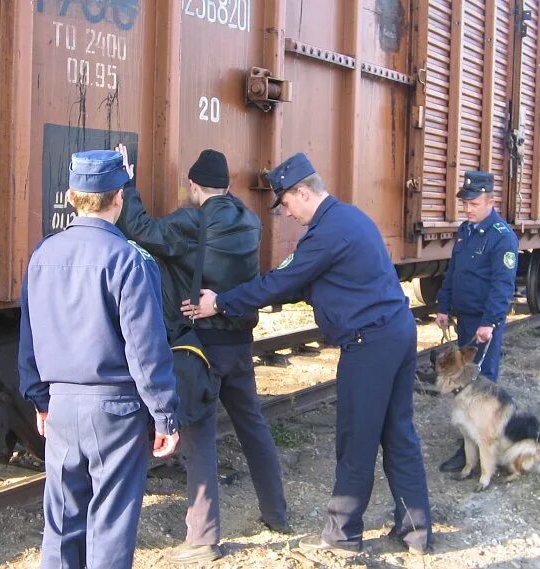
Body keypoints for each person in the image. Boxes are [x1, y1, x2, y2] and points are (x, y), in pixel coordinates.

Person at [183, 153, 433, 555]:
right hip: (395, 334)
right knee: (398, 432)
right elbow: (306, 283)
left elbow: (284, 281)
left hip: (369, 344)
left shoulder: (326, 232)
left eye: (285, 203)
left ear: (302, 191)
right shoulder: (350, 219)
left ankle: (342, 537)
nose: (285, 213)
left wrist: (223, 302)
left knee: (357, 438)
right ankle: (416, 532)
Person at [117, 147, 288, 565]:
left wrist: (127, 181)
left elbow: (139, 228)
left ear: (194, 186)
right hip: (239, 344)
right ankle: (277, 513)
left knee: (200, 440)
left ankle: (203, 539)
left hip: (201, 349)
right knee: (253, 427)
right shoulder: (250, 221)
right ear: (228, 185)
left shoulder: (189, 222)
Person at [18, 150, 180, 569]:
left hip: (61, 405)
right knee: (109, 525)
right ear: (119, 198)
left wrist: (40, 400)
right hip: (116, 411)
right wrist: (165, 417)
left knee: (61, 525)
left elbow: (29, 338)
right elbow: (145, 349)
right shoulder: (130, 259)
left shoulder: (42, 256)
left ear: (72, 197)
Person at [434, 170, 519, 472]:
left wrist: (490, 322)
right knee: (461, 383)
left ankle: (483, 450)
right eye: (466, 204)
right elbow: (453, 272)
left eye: (474, 203)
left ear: (490, 202)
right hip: (464, 320)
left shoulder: (502, 237)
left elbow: (502, 285)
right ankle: (469, 447)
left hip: (485, 326)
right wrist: (443, 306)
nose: (468, 209)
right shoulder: (466, 231)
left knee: (482, 385)